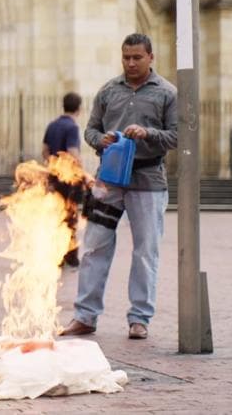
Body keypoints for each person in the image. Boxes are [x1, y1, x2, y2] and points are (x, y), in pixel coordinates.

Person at [60, 33, 176, 341]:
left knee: (145, 252)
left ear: (151, 57)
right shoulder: (108, 90)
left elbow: (178, 135)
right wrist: (102, 140)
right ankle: (85, 316)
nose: (131, 63)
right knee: (95, 246)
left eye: (137, 57)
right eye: (126, 57)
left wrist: (149, 134)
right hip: (109, 180)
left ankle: (139, 318)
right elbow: (90, 130)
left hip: (148, 181)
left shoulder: (167, 93)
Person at [42, 91, 83, 267]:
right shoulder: (72, 127)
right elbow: (73, 152)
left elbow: (45, 149)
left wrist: (51, 166)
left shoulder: (52, 125)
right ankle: (70, 256)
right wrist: (80, 171)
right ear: (79, 109)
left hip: (54, 176)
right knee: (70, 216)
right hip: (68, 179)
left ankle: (55, 254)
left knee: (56, 215)